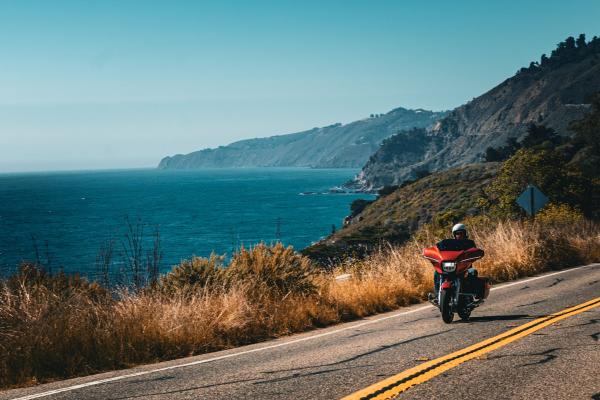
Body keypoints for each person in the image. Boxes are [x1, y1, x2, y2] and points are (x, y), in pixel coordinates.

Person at [428, 223, 476, 304]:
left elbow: (474, 251)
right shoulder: (448, 243)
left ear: (465, 233)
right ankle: (437, 295)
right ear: (454, 234)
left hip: (464, 267)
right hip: (451, 267)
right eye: (457, 233)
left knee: (472, 272)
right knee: (437, 273)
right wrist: (434, 252)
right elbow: (438, 248)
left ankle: (471, 295)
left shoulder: (469, 243)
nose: (459, 235)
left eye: (461, 233)